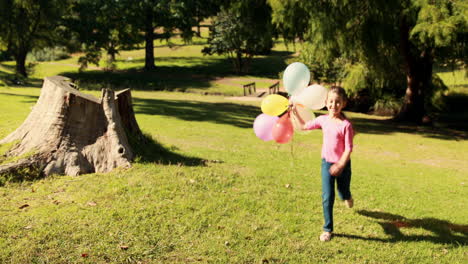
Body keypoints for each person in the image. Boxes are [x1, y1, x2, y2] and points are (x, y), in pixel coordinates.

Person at [302, 86, 355, 242]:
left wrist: (340, 165)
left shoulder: (346, 125)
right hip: (326, 164)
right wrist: (293, 112)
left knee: (342, 191)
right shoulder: (323, 119)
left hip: (343, 165)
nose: (334, 105)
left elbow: (348, 149)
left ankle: (347, 196)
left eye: (337, 102)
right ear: (326, 102)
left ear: (343, 103)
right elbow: (304, 126)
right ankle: (327, 229)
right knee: (327, 196)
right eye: (331, 102)